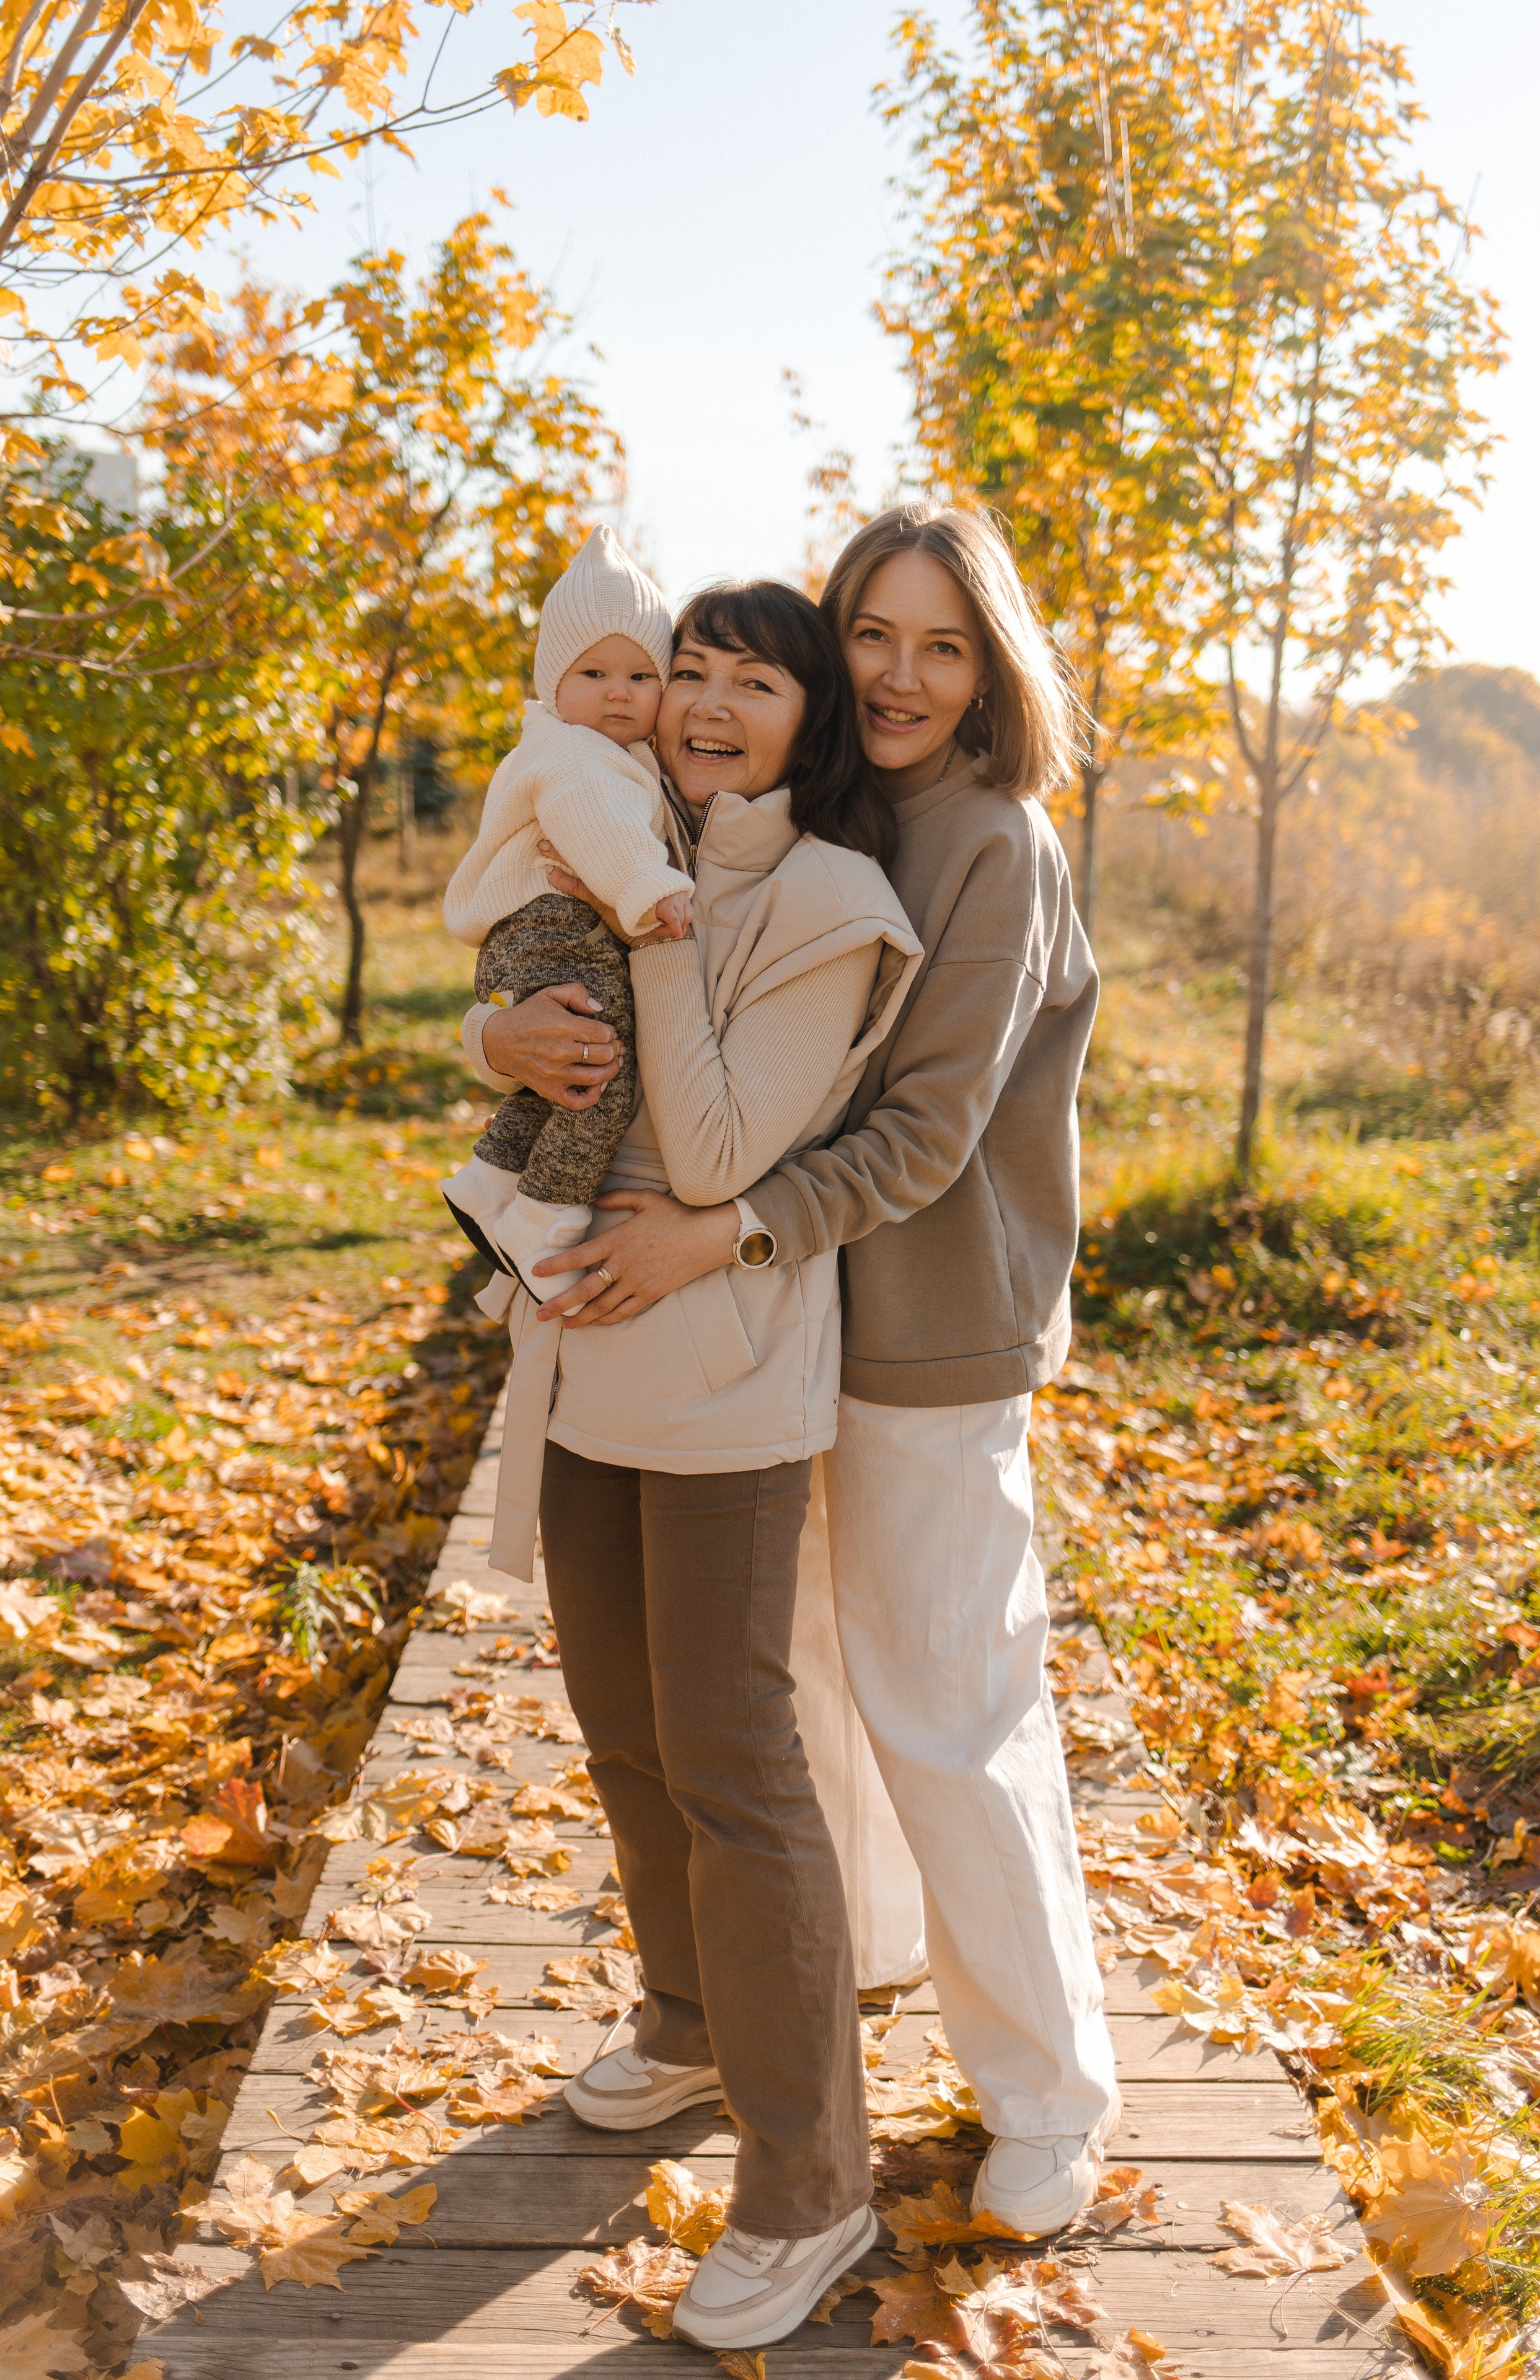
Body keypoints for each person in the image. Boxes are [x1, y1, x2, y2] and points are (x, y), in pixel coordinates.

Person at [520, 504, 1119, 2238]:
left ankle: (1046, 2092)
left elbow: (926, 1136)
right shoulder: (828, 810)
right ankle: (803, 2003)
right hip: (787, 1333)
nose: (905, 675)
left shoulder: (996, 843)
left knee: (948, 1706)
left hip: (929, 1333)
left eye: (944, 644)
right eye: (876, 636)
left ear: (990, 660)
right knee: (790, 1699)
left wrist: (715, 1235)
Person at [467, 581, 923, 2350]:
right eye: (692, 675)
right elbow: (508, 1015)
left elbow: (727, 1144)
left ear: (812, 721)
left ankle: (811, 2184)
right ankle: (684, 2028)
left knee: (736, 1755)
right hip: (585, 1350)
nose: (713, 704)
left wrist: (654, 926)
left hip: (728, 1381)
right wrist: (495, 1034)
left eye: (759, 682)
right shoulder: (613, 825)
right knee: (620, 1715)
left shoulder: (831, 904)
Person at [440, 524, 693, 1295]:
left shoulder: (599, 751)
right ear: (554, 681)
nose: (618, 692)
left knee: (557, 1073)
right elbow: (599, 830)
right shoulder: (576, 758)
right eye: (593, 671)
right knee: (599, 1069)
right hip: (554, 928)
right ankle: (540, 1223)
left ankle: (489, 1181)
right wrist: (655, 889)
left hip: (542, 938)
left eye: (641, 675)